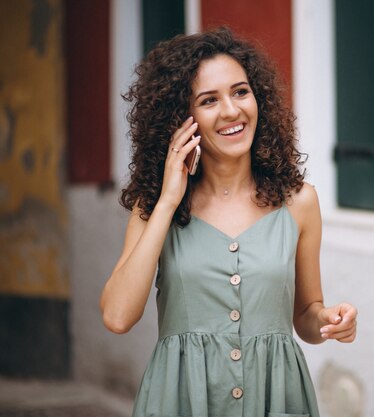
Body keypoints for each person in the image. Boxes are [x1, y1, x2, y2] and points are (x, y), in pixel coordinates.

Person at [99, 27, 357, 417]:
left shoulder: (300, 202)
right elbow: (117, 317)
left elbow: (305, 316)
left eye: (240, 91)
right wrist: (168, 200)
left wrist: (328, 320)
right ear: (182, 120)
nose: (232, 111)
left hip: (275, 399)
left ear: (259, 99)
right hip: (180, 400)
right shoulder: (153, 208)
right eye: (208, 100)